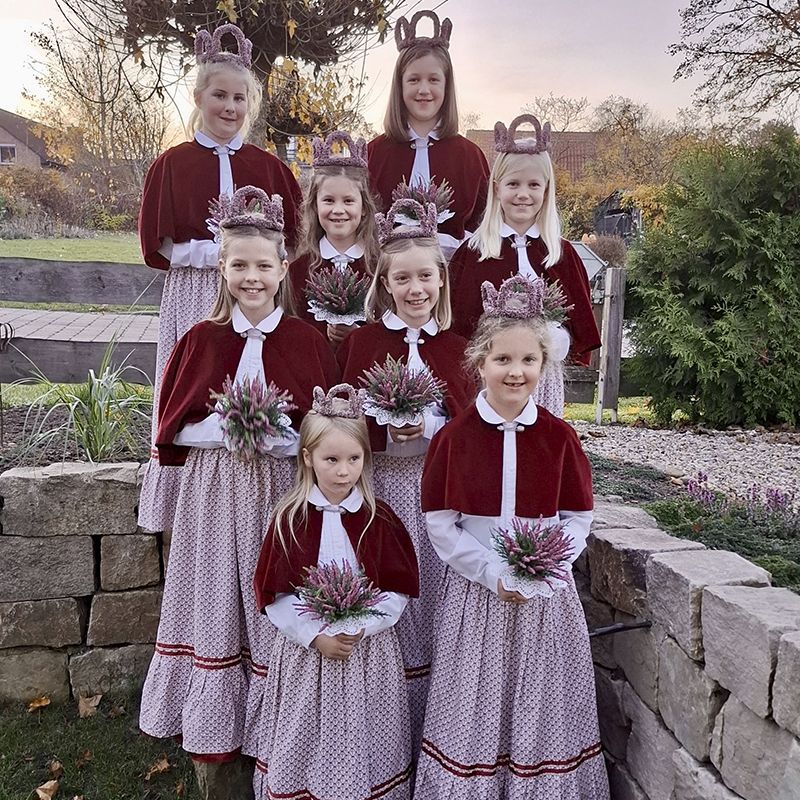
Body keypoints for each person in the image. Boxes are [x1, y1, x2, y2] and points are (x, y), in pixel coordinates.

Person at [138, 187, 338, 796]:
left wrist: (283, 438)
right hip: (215, 490)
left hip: (280, 492)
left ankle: (277, 727)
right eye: (240, 265)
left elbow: (326, 426)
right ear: (222, 269)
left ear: (283, 269)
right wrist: (223, 428)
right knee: (218, 589)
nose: (253, 277)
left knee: (273, 591)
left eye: (264, 266)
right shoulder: (201, 339)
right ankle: (212, 726)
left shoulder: (306, 341)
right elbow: (173, 425)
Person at [415, 274, 610, 800]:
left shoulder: (559, 436)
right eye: (502, 359)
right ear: (480, 363)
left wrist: (547, 567)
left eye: (528, 360)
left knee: (541, 698)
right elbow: (440, 523)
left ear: (544, 366)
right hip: (477, 597)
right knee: (472, 699)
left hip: (546, 601)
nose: (515, 371)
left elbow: (577, 516)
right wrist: (491, 572)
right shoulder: (454, 438)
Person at [137, 22, 304, 534]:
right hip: (195, 287)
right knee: (197, 375)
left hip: (256, 289)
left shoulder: (268, 167)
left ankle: (257, 469)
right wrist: (211, 252)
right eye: (219, 96)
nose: (229, 107)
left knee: (253, 362)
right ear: (198, 97)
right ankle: (190, 490)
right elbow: (158, 242)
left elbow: (294, 240)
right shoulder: (173, 163)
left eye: (239, 98)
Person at [337, 199, 476, 755]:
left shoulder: (458, 349)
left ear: (441, 280)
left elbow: (473, 425)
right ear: (385, 283)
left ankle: (440, 718)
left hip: (439, 492)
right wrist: (382, 425)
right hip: (383, 489)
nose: (415, 289)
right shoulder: (364, 344)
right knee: (391, 583)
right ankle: (387, 721)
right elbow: (342, 419)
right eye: (402, 279)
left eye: (425, 277)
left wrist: (433, 424)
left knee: (437, 587)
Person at [251, 383, 419, 800]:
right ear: (308, 457)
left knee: (367, 732)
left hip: (367, 654)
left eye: (353, 459)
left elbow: (396, 588)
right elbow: (275, 596)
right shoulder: (290, 520)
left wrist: (363, 626)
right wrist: (315, 636)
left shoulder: (378, 519)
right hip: (308, 655)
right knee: (305, 732)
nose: (344, 471)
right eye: (332, 460)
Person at [449, 114, 601, 416]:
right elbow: (458, 325)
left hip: (542, 379)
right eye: (513, 184)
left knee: (537, 439)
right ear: (496, 188)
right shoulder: (475, 253)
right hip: (488, 378)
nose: (523, 194)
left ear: (546, 189)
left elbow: (577, 322)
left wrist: (557, 337)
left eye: (533, 185)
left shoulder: (560, 254)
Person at [368, 10, 489, 260]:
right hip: (385, 275)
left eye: (433, 80)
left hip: (454, 275)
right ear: (400, 85)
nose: (424, 89)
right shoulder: (375, 153)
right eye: (414, 80)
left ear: (446, 85)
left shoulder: (469, 156)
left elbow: (485, 225)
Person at [289, 130, 380, 346]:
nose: (338, 210)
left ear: (364, 208)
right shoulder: (299, 271)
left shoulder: (379, 268)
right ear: (315, 205)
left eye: (348, 201)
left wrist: (358, 336)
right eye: (329, 200)